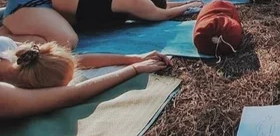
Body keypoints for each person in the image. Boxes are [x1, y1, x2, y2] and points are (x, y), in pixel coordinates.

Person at [0, 0, 202, 48]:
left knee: (62, 38)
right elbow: (160, 14)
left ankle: (8, 25)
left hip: (37, 4)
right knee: (66, 42)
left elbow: (159, 8)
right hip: (30, 3)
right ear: (146, 2)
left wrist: (184, 2)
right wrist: (187, 6)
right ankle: (6, 35)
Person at [0, 36, 170, 118]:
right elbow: (74, 95)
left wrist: (133, 58)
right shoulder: (5, 96)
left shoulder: (9, 46)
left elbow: (73, 60)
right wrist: (133, 69)